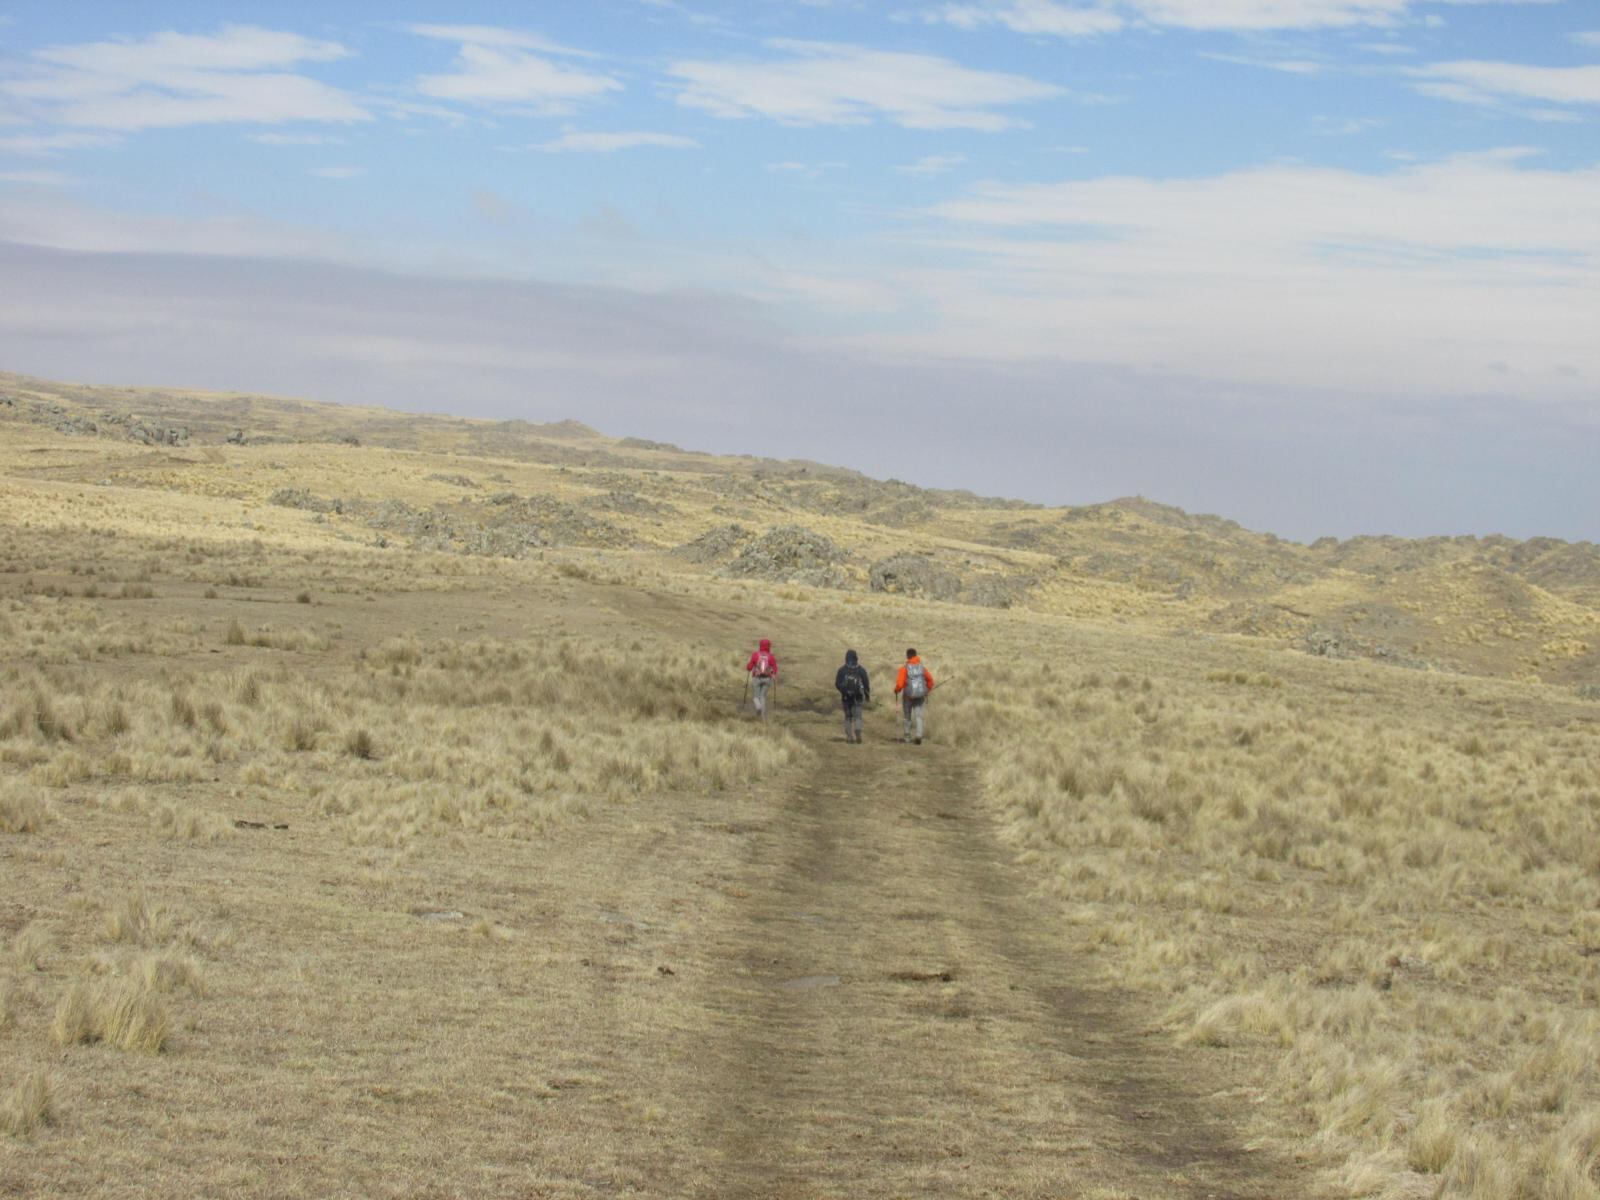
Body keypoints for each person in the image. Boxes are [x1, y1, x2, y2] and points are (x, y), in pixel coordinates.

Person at [893, 648, 935, 745]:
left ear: (907, 656)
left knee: (907, 716)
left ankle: (907, 736)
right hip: (920, 696)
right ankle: (919, 735)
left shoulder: (904, 669)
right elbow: (930, 681)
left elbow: (900, 684)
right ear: (916, 656)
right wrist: (926, 691)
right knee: (919, 716)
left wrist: (896, 690)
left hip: (908, 697)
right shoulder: (922, 668)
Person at [834, 649, 871, 743]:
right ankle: (858, 732)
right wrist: (867, 695)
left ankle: (849, 737)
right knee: (858, 716)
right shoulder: (861, 670)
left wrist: (843, 691)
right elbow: (866, 683)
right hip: (858, 697)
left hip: (846, 698)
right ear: (856, 658)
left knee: (848, 717)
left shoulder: (842, 670)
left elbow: (837, 684)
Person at [745, 638, 779, 721]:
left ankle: (758, 707)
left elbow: (749, 667)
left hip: (757, 678)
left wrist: (749, 668)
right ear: (769, 646)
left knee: (756, 697)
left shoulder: (755, 655)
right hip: (767, 679)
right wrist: (773, 674)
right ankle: (763, 717)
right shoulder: (771, 656)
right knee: (762, 697)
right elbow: (775, 668)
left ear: (760, 645)